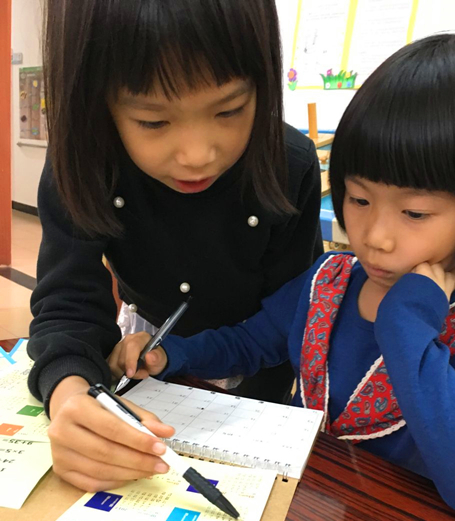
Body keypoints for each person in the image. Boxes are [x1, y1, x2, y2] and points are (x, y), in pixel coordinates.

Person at [111, 34, 455, 521]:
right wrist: (174, 353)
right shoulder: (329, 281)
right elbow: (252, 342)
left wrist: (405, 321)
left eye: (415, 213)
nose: (374, 237)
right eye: (359, 199)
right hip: (303, 515)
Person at [27, 0, 323, 492]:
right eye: (153, 121)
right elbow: (68, 304)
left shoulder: (290, 163)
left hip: (257, 366)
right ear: (98, 102)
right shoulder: (83, 161)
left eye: (229, 110)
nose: (197, 155)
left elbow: (290, 316)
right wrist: (69, 393)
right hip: (145, 352)